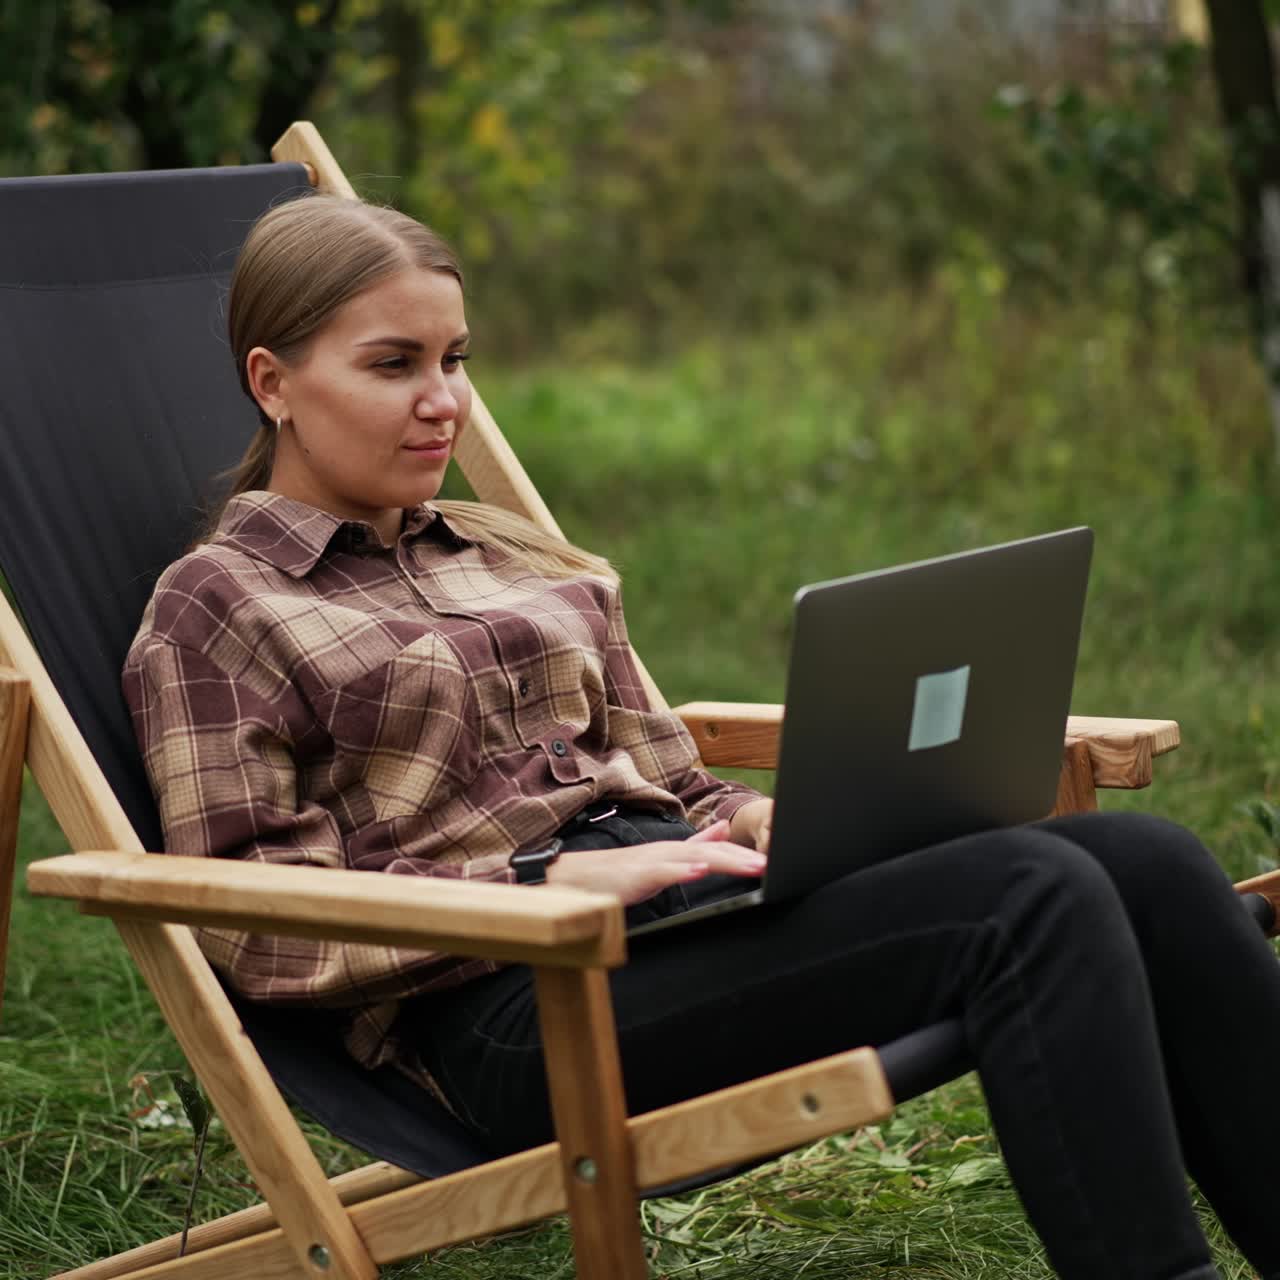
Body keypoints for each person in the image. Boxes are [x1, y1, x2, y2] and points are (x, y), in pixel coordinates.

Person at [123, 193, 1280, 1280]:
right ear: (271, 381)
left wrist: (751, 816)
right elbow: (249, 920)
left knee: (1147, 859)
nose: (446, 401)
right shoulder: (219, 605)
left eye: (455, 358)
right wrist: (545, 880)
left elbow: (667, 776)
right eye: (394, 365)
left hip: (682, 923)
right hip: (516, 1007)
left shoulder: (505, 554)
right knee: (1030, 895)